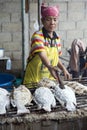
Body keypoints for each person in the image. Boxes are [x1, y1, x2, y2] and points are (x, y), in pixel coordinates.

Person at [23, 3, 71, 88]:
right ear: (42, 21)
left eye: (55, 19)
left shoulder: (57, 38)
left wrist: (64, 69)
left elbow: (56, 58)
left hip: (48, 81)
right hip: (34, 80)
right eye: (48, 19)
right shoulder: (37, 36)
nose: (52, 23)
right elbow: (42, 54)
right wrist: (49, 67)